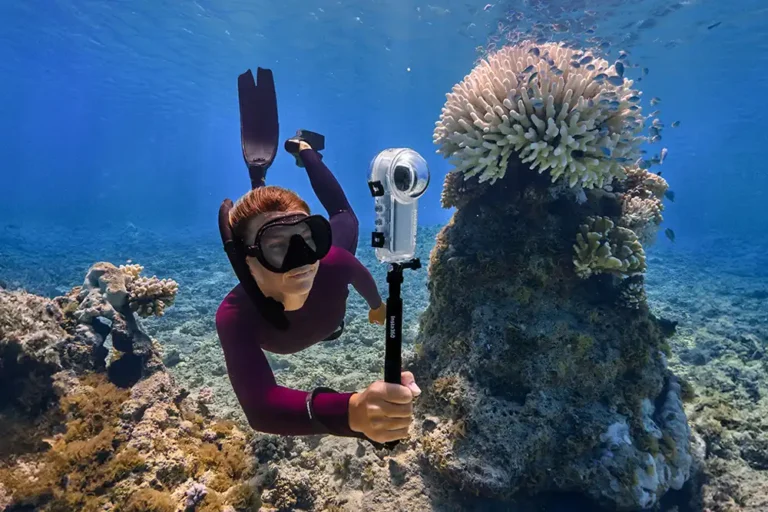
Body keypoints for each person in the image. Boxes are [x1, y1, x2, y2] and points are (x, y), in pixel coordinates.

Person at [215, 68, 421, 444]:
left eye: (308, 237)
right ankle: (259, 181)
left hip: (324, 314)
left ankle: (305, 150)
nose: (302, 259)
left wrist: (377, 306)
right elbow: (261, 407)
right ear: (246, 260)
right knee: (343, 216)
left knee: (344, 218)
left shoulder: (331, 261)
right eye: (277, 246)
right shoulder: (234, 316)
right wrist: (351, 411)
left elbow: (357, 273)